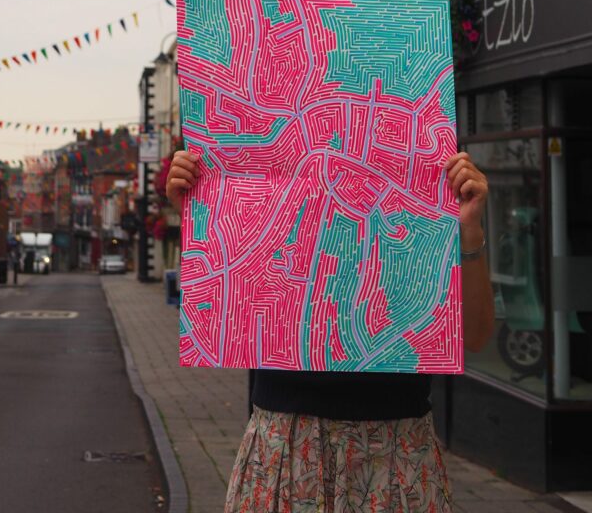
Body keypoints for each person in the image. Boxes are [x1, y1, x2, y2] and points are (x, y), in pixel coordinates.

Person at [166, 148, 494, 512]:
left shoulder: (418, 198)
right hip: (289, 449)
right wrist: (202, 212)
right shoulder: (279, 214)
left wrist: (469, 230)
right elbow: (220, 308)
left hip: (392, 451)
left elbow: (476, 335)